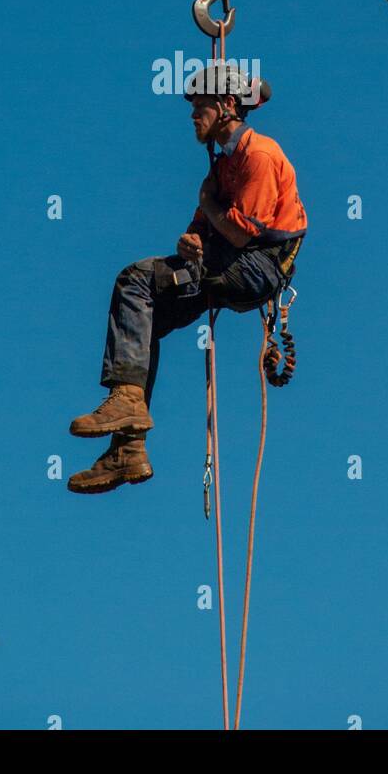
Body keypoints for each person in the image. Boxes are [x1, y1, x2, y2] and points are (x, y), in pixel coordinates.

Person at [67, 64, 307, 494]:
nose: (194, 114)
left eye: (201, 106)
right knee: (144, 321)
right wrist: (190, 241)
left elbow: (239, 231)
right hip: (228, 265)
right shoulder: (221, 169)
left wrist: (207, 206)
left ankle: (126, 401)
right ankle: (129, 447)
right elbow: (203, 227)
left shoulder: (259, 155)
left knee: (135, 280)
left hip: (253, 268)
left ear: (227, 105)